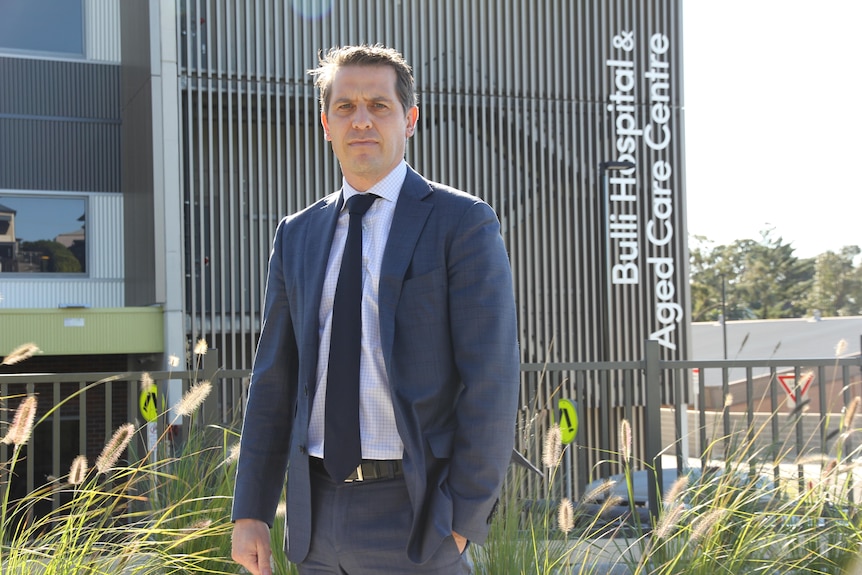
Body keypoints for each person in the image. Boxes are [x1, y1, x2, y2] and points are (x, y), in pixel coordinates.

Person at [231, 44, 520, 575]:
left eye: (378, 106)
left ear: (409, 119)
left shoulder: (463, 223)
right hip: (314, 523)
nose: (361, 120)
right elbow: (273, 379)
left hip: (416, 519)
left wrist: (461, 518)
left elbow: (493, 380)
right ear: (325, 124)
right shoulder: (296, 235)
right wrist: (250, 510)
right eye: (345, 107)